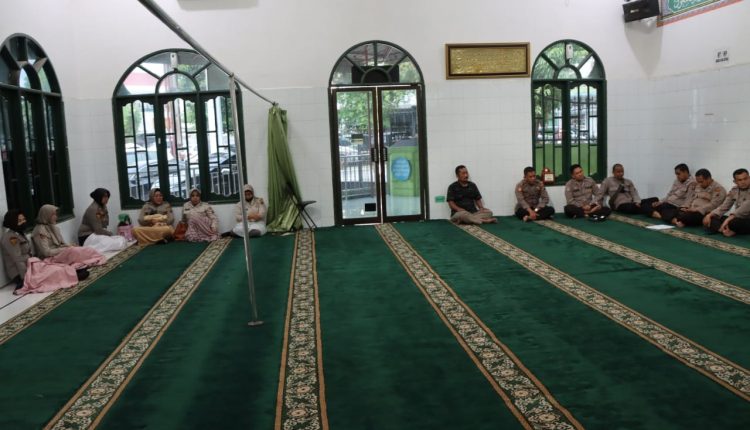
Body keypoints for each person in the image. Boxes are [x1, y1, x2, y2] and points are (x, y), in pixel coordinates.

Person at [2, 210, 80, 295]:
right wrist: (25, 278)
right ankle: (73, 276)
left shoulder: (19, 233)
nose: (23, 222)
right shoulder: (10, 238)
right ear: (12, 222)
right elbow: (18, 259)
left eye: (24, 219)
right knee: (52, 272)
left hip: (30, 265)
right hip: (20, 272)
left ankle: (73, 274)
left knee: (54, 267)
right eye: (20, 221)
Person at [33, 204, 107, 272]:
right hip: (51, 257)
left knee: (86, 249)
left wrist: (69, 246)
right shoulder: (39, 231)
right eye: (54, 215)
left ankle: (95, 258)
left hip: (61, 252)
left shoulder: (53, 227)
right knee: (75, 251)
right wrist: (65, 249)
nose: (56, 217)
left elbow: (62, 243)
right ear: (47, 215)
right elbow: (46, 252)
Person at [704, 168, 750, 236]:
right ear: (735, 181)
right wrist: (710, 214)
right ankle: (724, 229)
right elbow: (725, 206)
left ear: (749, 178)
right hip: (737, 218)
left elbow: (747, 205)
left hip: (746, 219)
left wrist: (730, 217)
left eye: (745, 179)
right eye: (740, 180)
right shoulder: (734, 190)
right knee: (712, 217)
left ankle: (725, 228)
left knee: (733, 223)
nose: (743, 182)